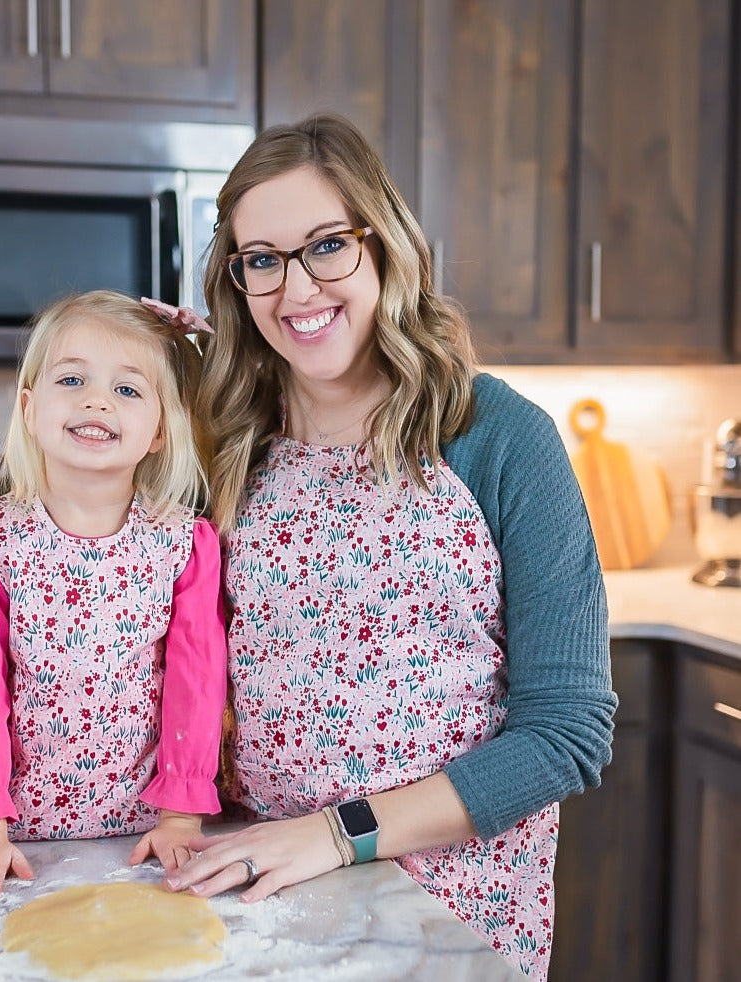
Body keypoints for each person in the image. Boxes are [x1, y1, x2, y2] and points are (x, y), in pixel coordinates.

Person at [154, 114, 617, 981]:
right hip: (262, 890)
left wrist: (337, 834)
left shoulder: (497, 435)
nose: (296, 290)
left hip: (454, 908)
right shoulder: (222, 445)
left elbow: (567, 733)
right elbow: (140, 652)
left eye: (327, 246)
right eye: (262, 259)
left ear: (386, 245)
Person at [0, 290, 227, 900]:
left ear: (160, 430)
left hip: (145, 837)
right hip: (18, 842)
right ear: (30, 410)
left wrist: (182, 816)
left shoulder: (186, 546)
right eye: (73, 379)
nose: (96, 400)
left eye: (127, 390)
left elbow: (196, 685)